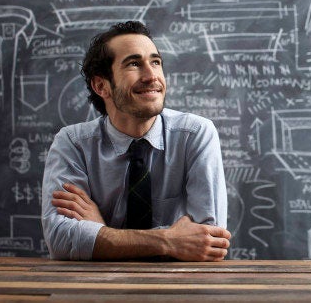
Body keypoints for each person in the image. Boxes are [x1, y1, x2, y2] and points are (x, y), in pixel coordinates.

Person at [41, 21, 231, 261]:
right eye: (133, 64)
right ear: (101, 86)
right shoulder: (73, 144)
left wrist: (103, 234)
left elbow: (209, 241)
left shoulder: (195, 135)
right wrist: (168, 240)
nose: (152, 76)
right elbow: (60, 240)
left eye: (156, 62)